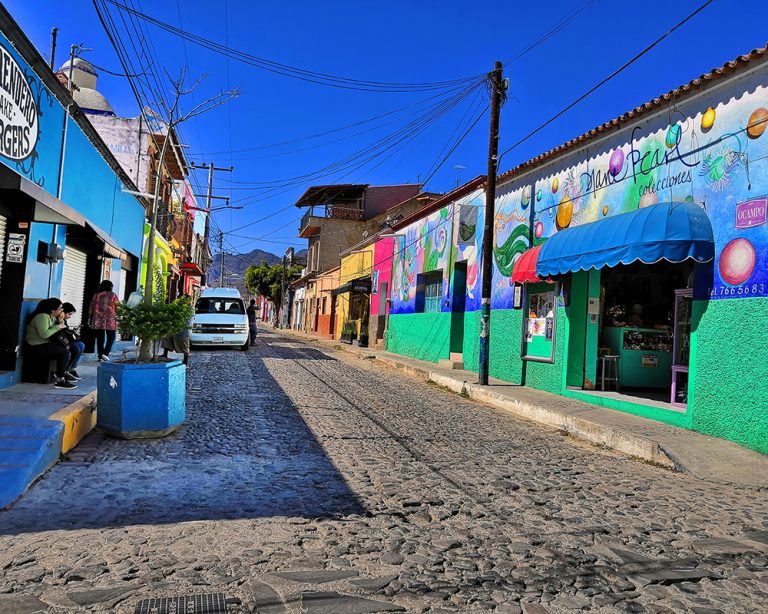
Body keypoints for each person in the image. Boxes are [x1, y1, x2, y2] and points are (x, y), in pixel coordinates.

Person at [24, 298, 77, 389]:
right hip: (35, 346)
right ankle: (60, 380)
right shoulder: (42, 317)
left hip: (44, 344)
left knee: (68, 349)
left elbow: (59, 331)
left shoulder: (51, 317)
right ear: (52, 310)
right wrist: (58, 326)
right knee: (64, 352)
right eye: (60, 308)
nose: (62, 310)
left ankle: (62, 373)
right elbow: (44, 334)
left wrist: (60, 321)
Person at [88, 280, 119, 361]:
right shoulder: (113, 295)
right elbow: (118, 307)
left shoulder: (96, 295)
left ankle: (100, 355)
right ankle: (105, 354)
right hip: (110, 320)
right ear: (110, 287)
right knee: (111, 337)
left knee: (100, 338)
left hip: (98, 320)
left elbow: (91, 307)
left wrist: (89, 317)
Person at [161, 296, 192, 366]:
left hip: (184, 331)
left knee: (185, 347)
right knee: (167, 338)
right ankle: (165, 354)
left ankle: (185, 362)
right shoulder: (181, 307)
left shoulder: (189, 308)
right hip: (176, 329)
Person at [59, 302, 85, 380]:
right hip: (61, 341)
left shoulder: (64, 320)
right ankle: (66, 371)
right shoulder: (58, 319)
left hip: (66, 339)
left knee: (81, 345)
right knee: (76, 348)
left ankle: (73, 369)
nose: (70, 317)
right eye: (69, 314)